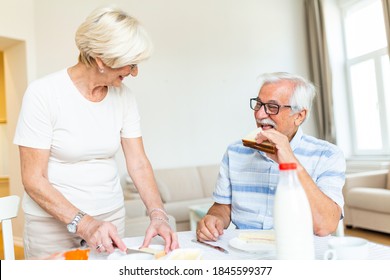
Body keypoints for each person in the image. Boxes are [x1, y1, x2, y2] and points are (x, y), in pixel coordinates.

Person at [13, 6, 178, 259]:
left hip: (110, 219)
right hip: (51, 226)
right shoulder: (43, 94)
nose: (135, 72)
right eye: (130, 64)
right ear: (101, 61)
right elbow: (33, 179)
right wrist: (85, 223)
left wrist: (158, 214)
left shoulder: (124, 97)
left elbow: (138, 163)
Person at [196, 72, 345, 242]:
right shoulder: (235, 151)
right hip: (244, 250)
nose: (259, 115)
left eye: (273, 107)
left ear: (299, 116)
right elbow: (222, 207)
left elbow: (325, 225)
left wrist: (290, 161)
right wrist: (215, 219)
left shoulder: (328, 155)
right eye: (258, 104)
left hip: (300, 251)